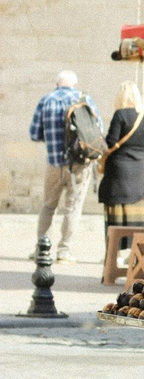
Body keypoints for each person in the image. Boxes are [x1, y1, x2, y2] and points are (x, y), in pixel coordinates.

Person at [29, 70, 101, 263]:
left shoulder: (46, 100)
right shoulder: (84, 99)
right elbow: (98, 130)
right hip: (79, 164)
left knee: (48, 206)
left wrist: (54, 141)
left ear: (57, 84)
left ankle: (41, 249)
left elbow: (34, 133)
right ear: (75, 85)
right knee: (72, 207)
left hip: (55, 163)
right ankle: (64, 251)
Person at [98, 81, 144, 236]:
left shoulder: (120, 115)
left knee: (116, 216)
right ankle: (138, 254)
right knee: (139, 217)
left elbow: (111, 142)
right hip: (139, 172)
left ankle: (114, 253)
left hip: (119, 173)